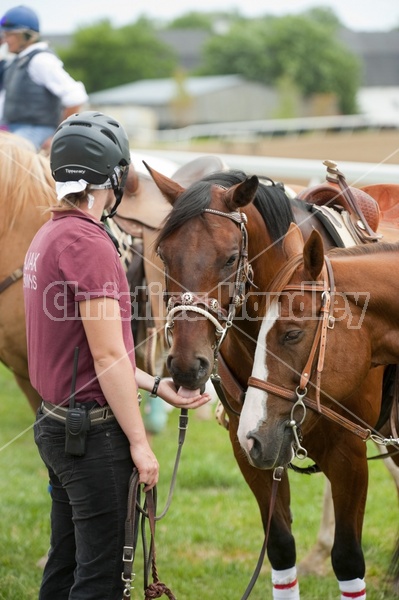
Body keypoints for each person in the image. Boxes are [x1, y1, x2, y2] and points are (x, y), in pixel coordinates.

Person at [23, 110, 211, 600]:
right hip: (93, 436)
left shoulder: (48, 235)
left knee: (64, 568)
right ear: (112, 176)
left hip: (56, 425)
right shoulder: (91, 243)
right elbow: (107, 354)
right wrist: (140, 443)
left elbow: (90, 349)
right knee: (102, 580)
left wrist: (156, 385)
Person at [0, 5, 88, 150]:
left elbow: (76, 97)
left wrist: (58, 135)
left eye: (10, 34)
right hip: (12, 128)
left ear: (26, 36)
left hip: (36, 130)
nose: (5, 39)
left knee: (6, 154)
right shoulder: (16, 61)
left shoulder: (40, 60)